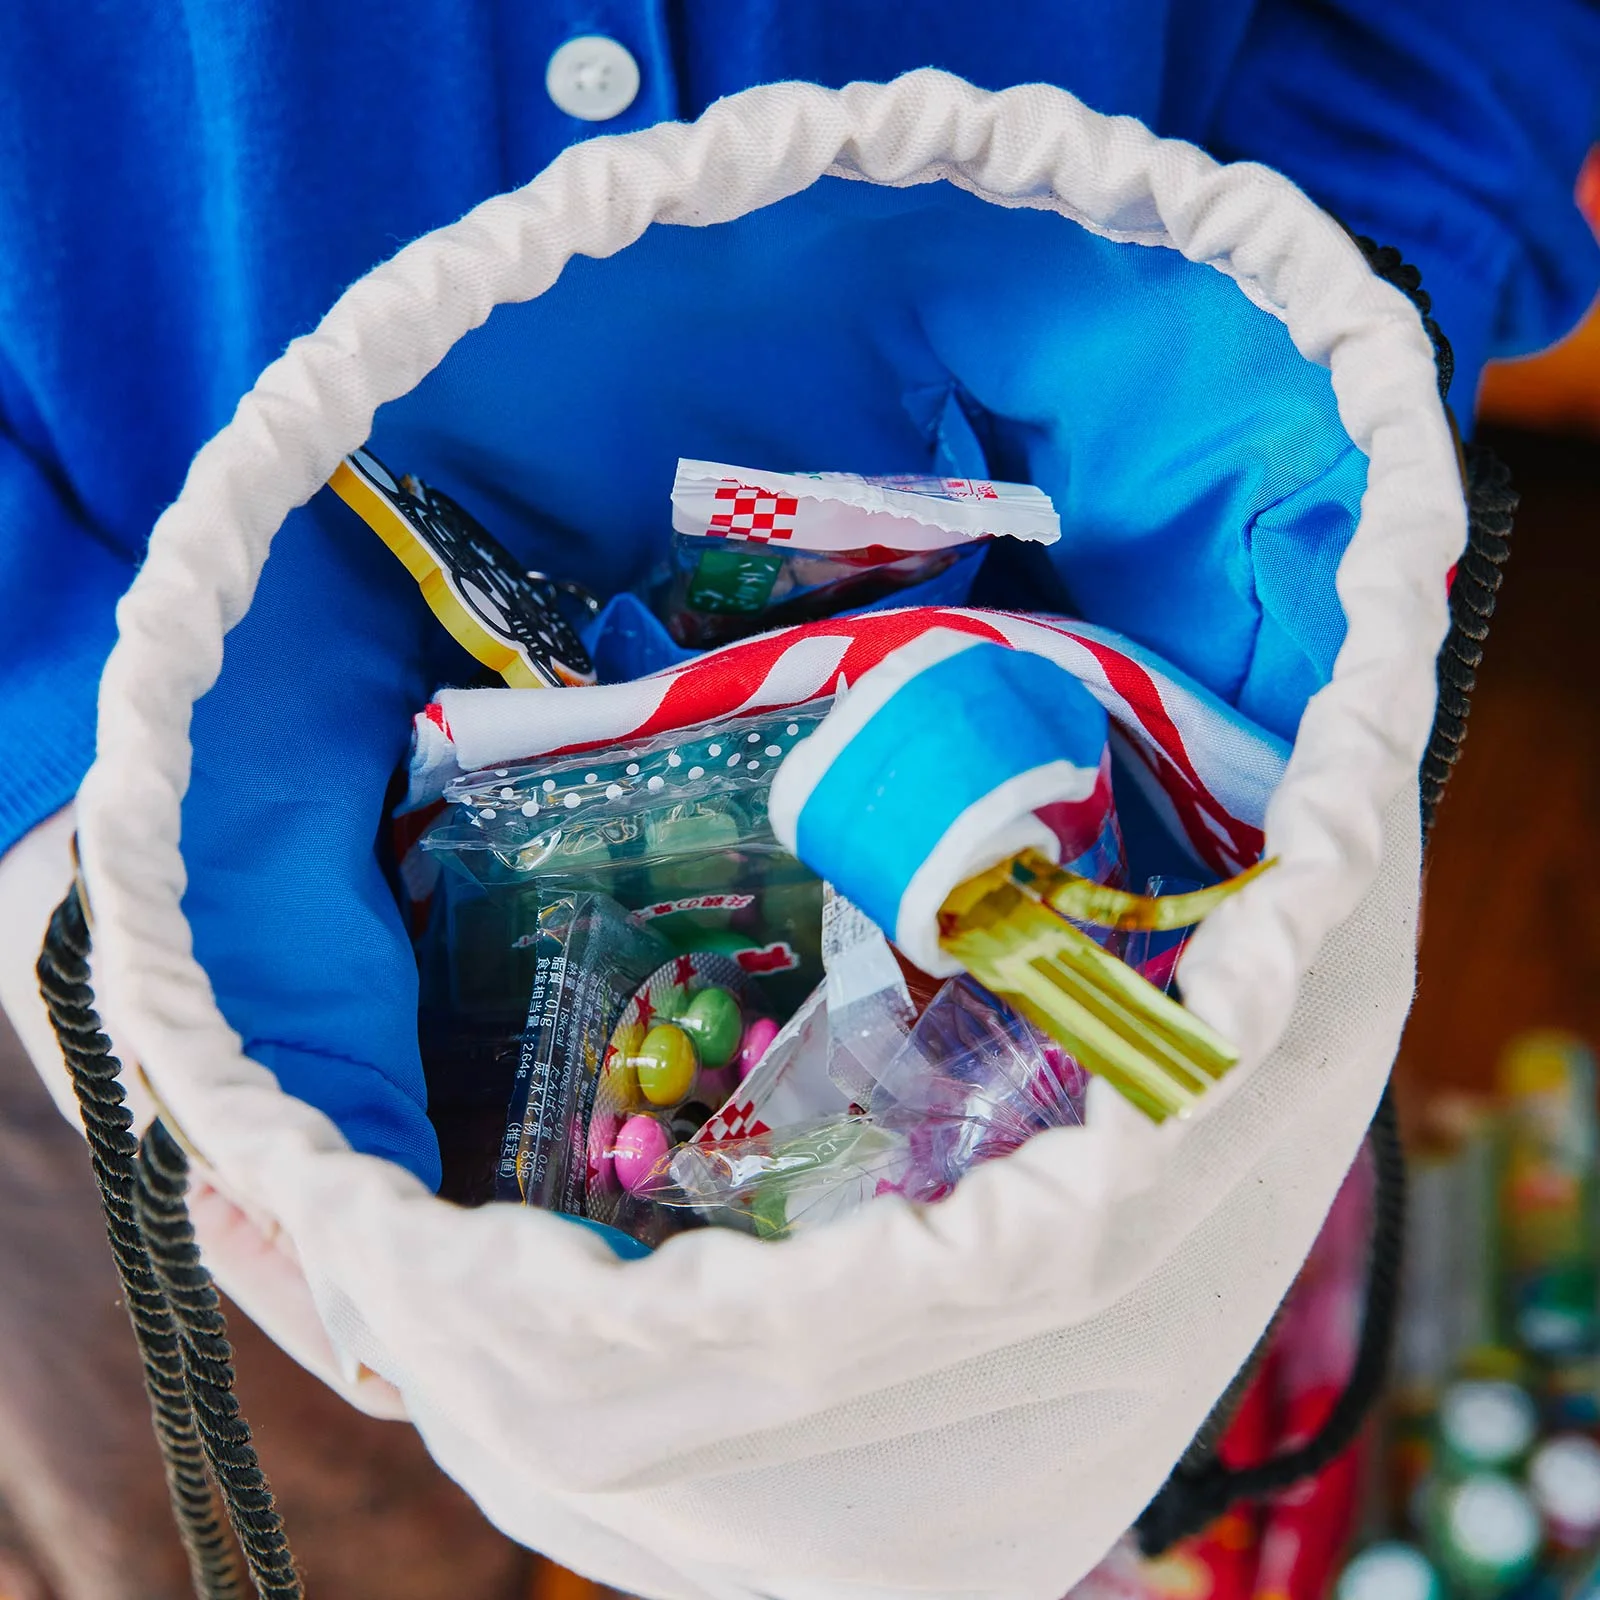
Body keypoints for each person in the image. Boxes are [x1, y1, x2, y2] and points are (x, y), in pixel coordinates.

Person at [0, 4, 1596, 1595]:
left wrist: (1335, 349)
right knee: (291, 1524)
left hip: (1158, 521)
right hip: (139, 916)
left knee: (1144, 1351)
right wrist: (59, 806)